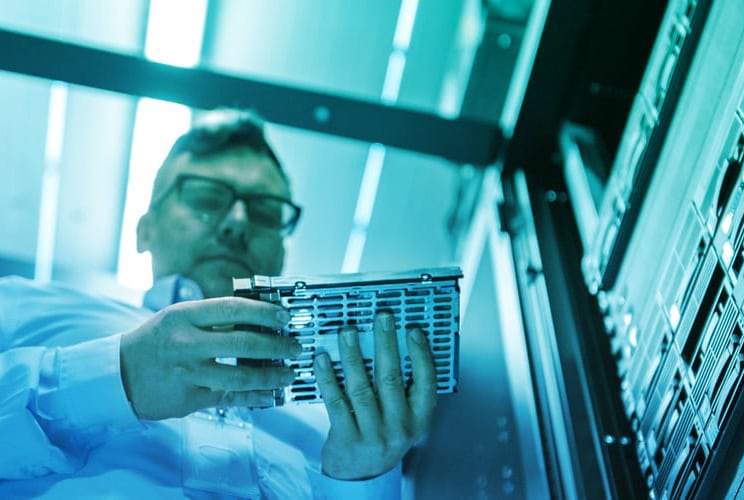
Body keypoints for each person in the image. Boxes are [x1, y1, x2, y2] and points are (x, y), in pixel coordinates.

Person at [0, 108, 437, 498]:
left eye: (265, 211)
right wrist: (118, 376)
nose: (237, 222)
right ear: (144, 230)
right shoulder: (26, 305)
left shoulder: (338, 413)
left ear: (283, 250)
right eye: (206, 199)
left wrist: (359, 482)